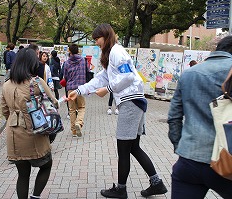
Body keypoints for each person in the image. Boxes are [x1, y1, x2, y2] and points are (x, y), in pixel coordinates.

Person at [68, 24, 167, 198]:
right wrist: (79, 90)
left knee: (123, 148)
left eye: (97, 39)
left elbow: (127, 76)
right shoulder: (111, 54)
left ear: (105, 36)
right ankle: (157, 183)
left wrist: (107, 89)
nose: (96, 43)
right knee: (133, 147)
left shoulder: (116, 51)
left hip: (131, 103)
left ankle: (121, 189)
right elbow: (101, 78)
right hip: (135, 102)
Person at [168, 36, 232, 198]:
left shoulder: (188, 74)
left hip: (189, 161)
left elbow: (174, 117)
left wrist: (180, 147)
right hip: (227, 161)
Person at [1, 48, 57, 199]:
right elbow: (54, 103)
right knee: (46, 164)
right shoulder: (37, 82)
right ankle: (36, 196)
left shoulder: (6, 84)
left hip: (13, 133)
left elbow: (4, 110)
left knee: (23, 174)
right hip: (34, 131)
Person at [64, 43, 87, 137]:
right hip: (80, 88)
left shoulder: (66, 63)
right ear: (78, 51)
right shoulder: (83, 60)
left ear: (69, 51)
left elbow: (65, 76)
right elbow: (87, 72)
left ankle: (73, 131)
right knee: (81, 107)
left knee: (72, 109)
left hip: (70, 88)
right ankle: (79, 122)